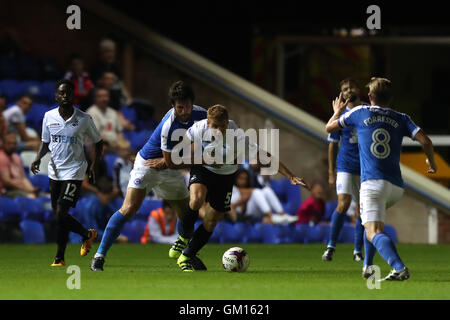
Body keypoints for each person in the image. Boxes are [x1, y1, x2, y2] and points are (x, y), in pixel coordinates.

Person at [155, 104, 309, 272]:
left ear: (227, 123)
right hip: (203, 167)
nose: (217, 130)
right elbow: (179, 150)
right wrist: (167, 161)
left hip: (226, 176)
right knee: (196, 199)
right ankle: (183, 237)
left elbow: (264, 155)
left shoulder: (237, 137)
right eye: (214, 126)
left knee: (212, 220)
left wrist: (290, 176)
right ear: (207, 122)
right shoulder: (198, 128)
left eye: (221, 126)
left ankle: (186, 255)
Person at [325, 77, 437, 281]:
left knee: (372, 230)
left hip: (373, 184)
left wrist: (337, 111)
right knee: (373, 225)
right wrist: (432, 162)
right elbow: (426, 140)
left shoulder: (360, 112)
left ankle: (399, 268)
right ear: (390, 98)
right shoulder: (402, 117)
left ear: (369, 96)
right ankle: (368, 265)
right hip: (395, 186)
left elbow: (329, 128)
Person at [90, 81, 207, 271]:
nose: (185, 111)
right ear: (172, 106)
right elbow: (169, 161)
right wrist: (200, 159)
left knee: (186, 214)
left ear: (193, 103)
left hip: (170, 168)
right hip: (147, 165)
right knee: (129, 208)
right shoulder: (169, 124)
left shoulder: (202, 114)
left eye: (187, 105)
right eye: (180, 107)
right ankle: (99, 256)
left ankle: (187, 255)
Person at [30, 79, 104, 267]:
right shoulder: (49, 116)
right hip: (55, 171)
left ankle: (83, 237)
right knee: (59, 216)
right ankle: (62, 256)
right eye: (61, 93)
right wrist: (38, 158)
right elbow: (46, 142)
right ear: (56, 95)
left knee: (61, 212)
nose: (65, 96)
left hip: (75, 170)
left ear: (74, 96)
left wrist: (94, 165)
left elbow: (98, 142)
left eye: (68, 93)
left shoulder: (84, 119)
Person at [322, 78, 366, 262]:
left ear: (358, 88)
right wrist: (331, 172)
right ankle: (331, 246)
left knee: (361, 210)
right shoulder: (340, 115)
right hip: (346, 166)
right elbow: (332, 144)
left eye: (351, 87)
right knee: (343, 204)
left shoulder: (367, 111)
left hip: (365, 167)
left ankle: (357, 251)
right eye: (345, 89)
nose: (348, 91)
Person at [230, 168, 298, 224]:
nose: (243, 181)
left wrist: (245, 197)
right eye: (241, 178)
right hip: (243, 214)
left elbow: (248, 194)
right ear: (236, 179)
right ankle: (271, 216)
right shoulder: (232, 188)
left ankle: (283, 215)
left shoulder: (247, 188)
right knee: (256, 192)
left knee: (267, 190)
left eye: (245, 179)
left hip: (253, 210)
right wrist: (242, 200)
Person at [0, 133, 40, 198]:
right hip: (6, 191)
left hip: (20, 189)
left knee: (47, 196)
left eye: (14, 143)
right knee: (31, 197)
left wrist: (32, 189)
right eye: (9, 143)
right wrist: (27, 189)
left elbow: (23, 178)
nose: (12, 146)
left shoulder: (17, 158)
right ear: (3, 144)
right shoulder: (1, 158)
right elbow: (6, 182)